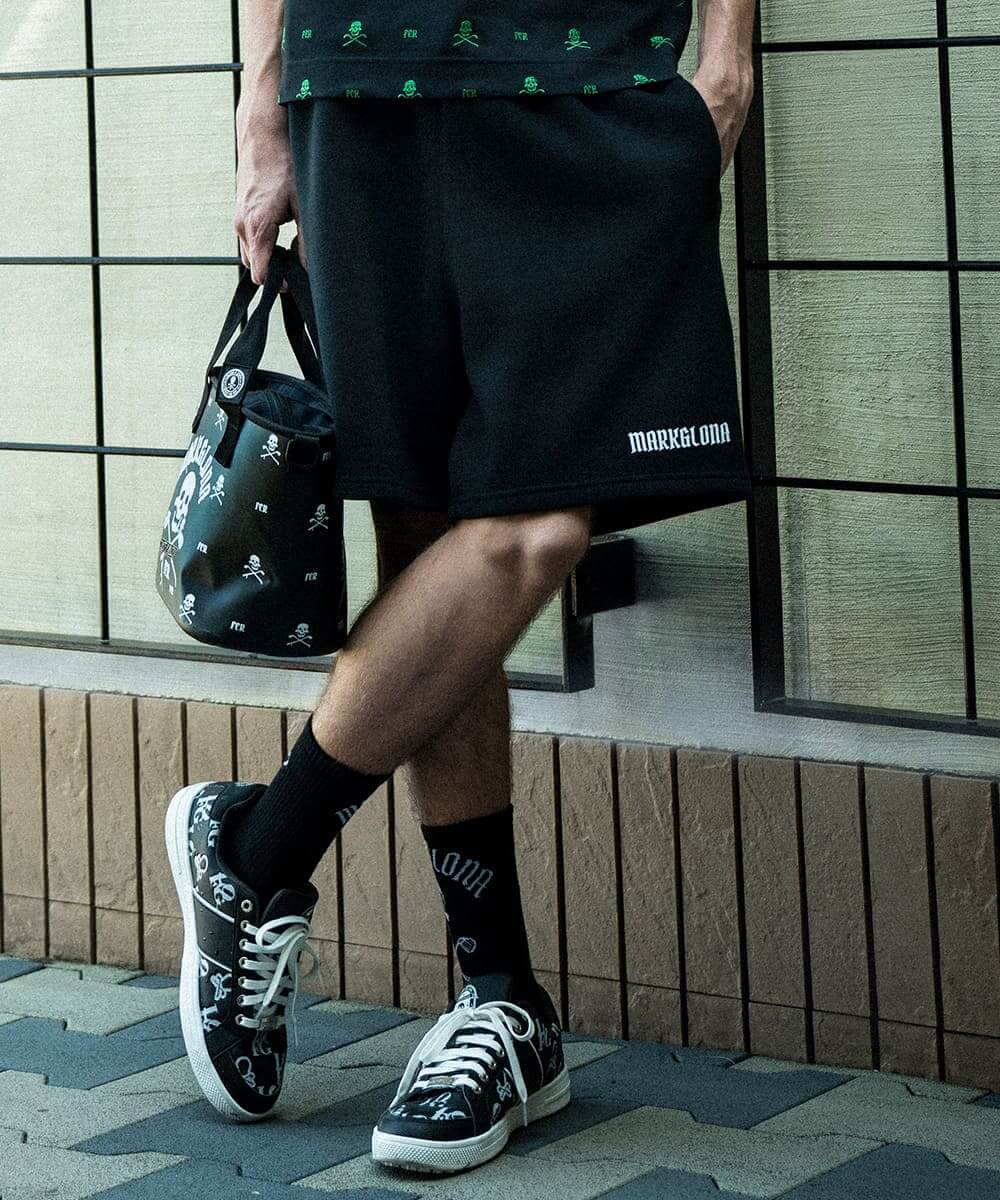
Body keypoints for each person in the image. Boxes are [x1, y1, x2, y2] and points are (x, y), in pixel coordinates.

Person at [165, 0, 755, 1176]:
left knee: (535, 526)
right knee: (429, 544)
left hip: (588, 77)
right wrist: (261, 111)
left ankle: (262, 847)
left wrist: (728, 62)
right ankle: (503, 1000)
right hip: (361, 89)